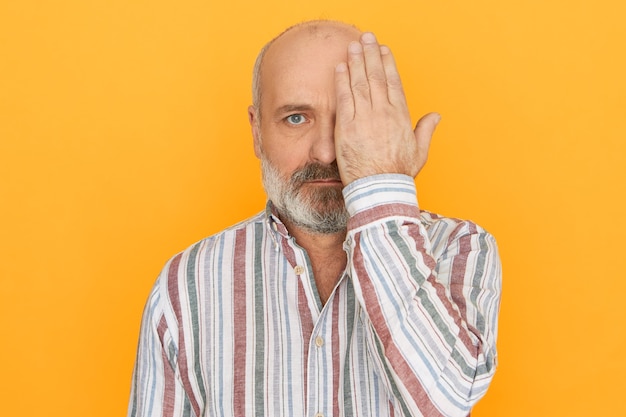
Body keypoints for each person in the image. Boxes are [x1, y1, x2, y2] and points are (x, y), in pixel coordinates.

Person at [128, 20, 501, 417]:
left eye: (349, 118)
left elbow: (447, 400)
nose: (325, 152)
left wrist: (382, 186)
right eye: (296, 118)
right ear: (256, 132)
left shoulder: (459, 248)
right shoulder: (185, 287)